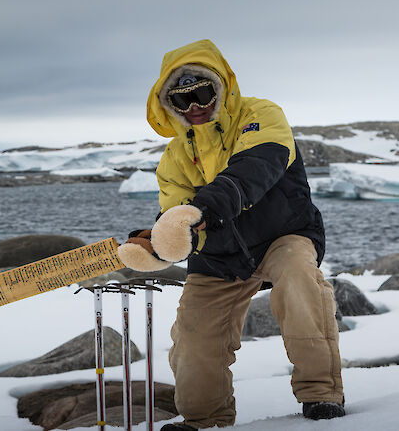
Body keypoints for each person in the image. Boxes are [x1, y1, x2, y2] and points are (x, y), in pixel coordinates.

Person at [117, 40, 344, 430]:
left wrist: (204, 210)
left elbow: (256, 167)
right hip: (220, 254)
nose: (195, 107)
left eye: (202, 93)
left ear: (220, 87)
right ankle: (206, 419)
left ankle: (321, 395)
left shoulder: (261, 115)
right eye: (182, 101)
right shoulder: (173, 159)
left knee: (299, 281)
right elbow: (176, 217)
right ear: (169, 105)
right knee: (193, 333)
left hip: (283, 234)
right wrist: (158, 242)